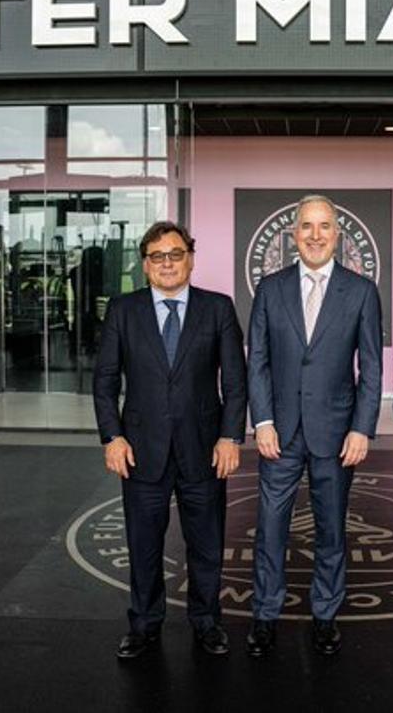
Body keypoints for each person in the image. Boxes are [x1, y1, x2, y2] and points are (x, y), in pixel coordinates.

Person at [93, 221, 247, 660]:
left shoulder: (218, 308)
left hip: (204, 450)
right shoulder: (123, 311)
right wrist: (112, 437)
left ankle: (207, 622)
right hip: (141, 452)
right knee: (143, 545)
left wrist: (230, 436)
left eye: (176, 254)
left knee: (207, 544)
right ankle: (143, 625)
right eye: (158, 256)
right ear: (145, 265)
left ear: (191, 259)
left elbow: (235, 383)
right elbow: (104, 381)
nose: (167, 264)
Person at [245, 194, 382, 658]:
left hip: (338, 433)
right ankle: (265, 614)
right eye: (307, 226)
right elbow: (257, 362)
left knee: (331, 529)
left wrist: (363, 428)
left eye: (325, 226)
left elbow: (372, 369)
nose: (316, 235)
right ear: (294, 233)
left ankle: (325, 614)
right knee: (269, 530)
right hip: (277, 434)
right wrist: (261, 420)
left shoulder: (362, 292)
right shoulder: (270, 288)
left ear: (338, 234)